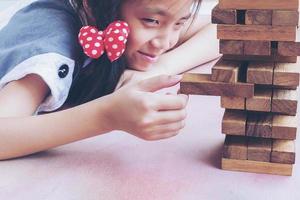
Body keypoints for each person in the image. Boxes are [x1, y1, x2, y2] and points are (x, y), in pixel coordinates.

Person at [0, 0, 219, 160]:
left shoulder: (156, 18)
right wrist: (106, 116)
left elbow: (229, 28)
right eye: (152, 21)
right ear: (93, 7)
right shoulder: (53, 47)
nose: (165, 42)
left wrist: (162, 67)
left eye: (180, 23)